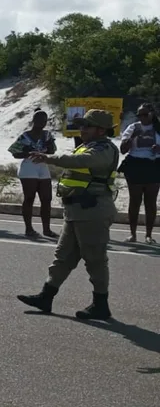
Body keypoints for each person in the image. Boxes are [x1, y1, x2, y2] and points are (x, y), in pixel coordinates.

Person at [17, 109, 119, 320]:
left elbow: (80, 163)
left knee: (95, 259)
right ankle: (46, 296)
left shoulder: (104, 149)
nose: (81, 129)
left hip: (93, 211)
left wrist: (49, 158)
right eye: (81, 125)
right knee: (63, 257)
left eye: (86, 126)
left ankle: (101, 304)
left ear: (101, 130)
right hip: (76, 210)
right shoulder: (87, 146)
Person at [10, 110, 58, 237]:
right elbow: (14, 152)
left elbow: (52, 151)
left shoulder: (47, 135)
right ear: (34, 120)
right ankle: (29, 228)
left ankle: (47, 229)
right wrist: (27, 153)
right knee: (29, 197)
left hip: (42, 165)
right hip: (29, 166)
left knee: (47, 198)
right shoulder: (25, 136)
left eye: (44, 120)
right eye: (40, 120)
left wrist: (49, 145)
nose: (42, 123)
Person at [119, 103, 159, 243]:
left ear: (152, 114)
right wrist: (131, 138)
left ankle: (148, 235)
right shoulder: (133, 127)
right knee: (135, 201)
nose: (142, 117)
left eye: (145, 114)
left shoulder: (158, 128)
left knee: (151, 202)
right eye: (139, 115)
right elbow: (123, 150)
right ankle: (133, 234)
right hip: (135, 164)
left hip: (153, 166)